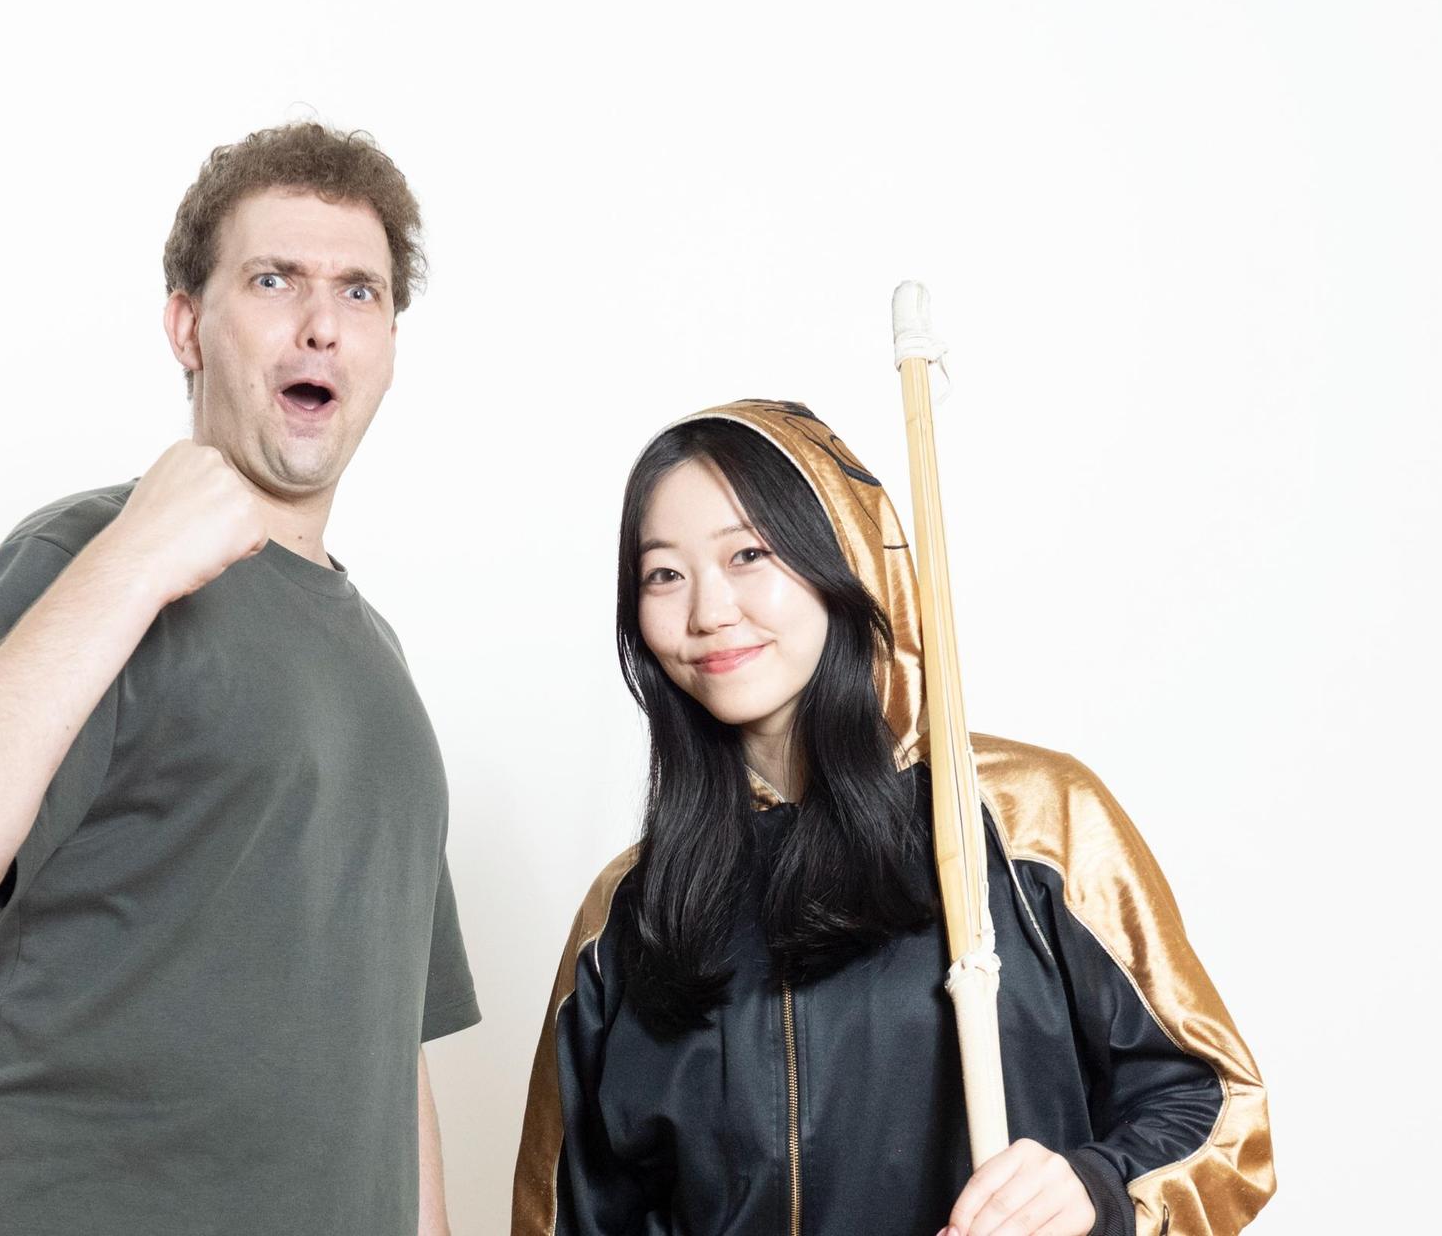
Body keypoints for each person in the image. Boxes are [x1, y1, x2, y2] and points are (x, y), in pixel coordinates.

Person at [0, 122, 480, 1235]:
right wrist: (139, 553)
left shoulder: (380, 666)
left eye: (361, 292)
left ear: (387, 343)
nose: (322, 323)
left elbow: (389, 1056)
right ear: (188, 325)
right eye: (274, 279)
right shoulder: (85, 557)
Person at [510, 400, 1274, 1236]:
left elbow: (1219, 1111)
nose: (709, 611)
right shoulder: (629, 911)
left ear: (841, 557)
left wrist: (1097, 1191)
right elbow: (569, 1214)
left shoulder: (1030, 824)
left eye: (748, 554)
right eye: (664, 574)